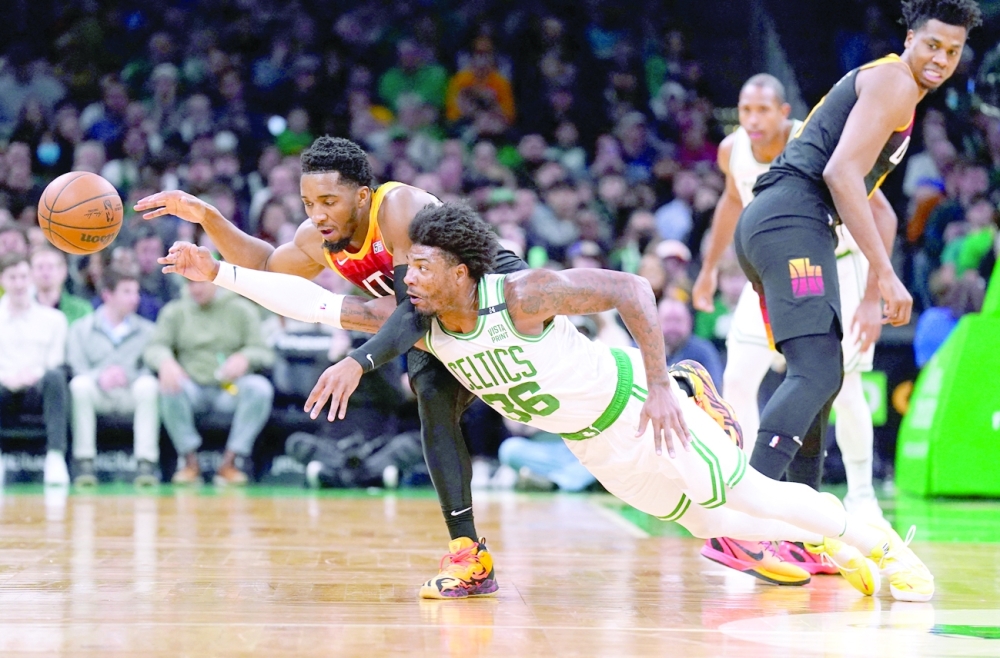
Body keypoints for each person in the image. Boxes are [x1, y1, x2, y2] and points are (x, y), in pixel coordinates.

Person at [159, 202, 937, 603]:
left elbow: (632, 289)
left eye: (422, 266)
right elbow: (316, 306)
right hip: (591, 442)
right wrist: (218, 273)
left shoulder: (522, 295)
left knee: (745, 491)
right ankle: (833, 545)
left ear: (462, 270)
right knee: (715, 522)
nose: (408, 279)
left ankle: (883, 544)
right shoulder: (427, 328)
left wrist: (664, 385)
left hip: (639, 404)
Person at [134, 135, 527, 598]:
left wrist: (357, 361)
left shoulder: (398, 207)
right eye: (307, 202)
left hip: (498, 294)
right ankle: (470, 555)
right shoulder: (321, 237)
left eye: (327, 201)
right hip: (434, 317)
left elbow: (413, 308)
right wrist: (209, 219)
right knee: (432, 402)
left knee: (565, 414)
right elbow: (265, 263)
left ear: (361, 196)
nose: (316, 213)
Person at [731, 0, 981, 547]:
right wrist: (889, 277)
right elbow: (840, 172)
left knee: (819, 380)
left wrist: (871, 296)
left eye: (953, 50)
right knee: (818, 372)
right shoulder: (894, 79)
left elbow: (881, 209)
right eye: (932, 45)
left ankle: (799, 535)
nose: (941, 58)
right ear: (911, 37)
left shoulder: (899, 93)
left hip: (780, 224)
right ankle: (744, 527)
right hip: (792, 220)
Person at [690, 73, 886, 581]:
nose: (752, 121)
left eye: (761, 111)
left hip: (836, 261)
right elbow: (731, 203)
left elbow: (879, 208)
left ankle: (860, 499)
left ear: (784, 113)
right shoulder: (732, 149)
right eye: (744, 110)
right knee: (739, 377)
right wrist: (710, 268)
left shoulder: (816, 137)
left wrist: (874, 291)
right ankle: (757, 499)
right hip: (778, 259)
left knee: (838, 385)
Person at [142, 279, 275, 485]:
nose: (196, 289)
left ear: (216, 281)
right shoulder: (175, 311)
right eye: (191, 284)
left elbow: (264, 352)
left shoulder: (242, 310)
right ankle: (189, 463)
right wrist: (165, 362)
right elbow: (154, 348)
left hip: (229, 389)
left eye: (201, 283)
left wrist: (245, 357)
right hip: (190, 386)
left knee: (260, 388)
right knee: (168, 385)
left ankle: (231, 462)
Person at [66, 265, 160, 486]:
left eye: (136, 292)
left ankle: (146, 463)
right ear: (107, 294)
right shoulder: (82, 329)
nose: (135, 298)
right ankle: (84, 462)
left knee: (149, 385)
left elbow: (151, 367)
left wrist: (129, 376)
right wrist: (99, 377)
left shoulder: (148, 330)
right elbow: (75, 366)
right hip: (98, 392)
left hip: (131, 391)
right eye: (127, 292)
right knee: (79, 385)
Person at [0, 252, 71, 485]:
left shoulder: (54, 319)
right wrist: (8, 378)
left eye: (23, 276)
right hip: (4, 387)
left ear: (31, 278)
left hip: (38, 388)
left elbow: (56, 360)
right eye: (12, 277)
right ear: (2, 281)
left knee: (56, 377)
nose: (19, 283)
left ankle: (55, 458)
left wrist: (33, 375)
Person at [30, 246, 94, 325]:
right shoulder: (22, 310)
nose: (45, 273)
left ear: (63, 271)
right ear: (30, 272)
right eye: (40, 267)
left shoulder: (82, 309)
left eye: (50, 267)